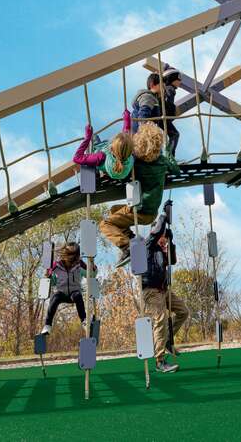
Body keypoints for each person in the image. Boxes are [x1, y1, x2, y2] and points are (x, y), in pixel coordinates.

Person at [99, 122, 180, 267]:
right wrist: (168, 153)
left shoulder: (136, 165)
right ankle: (132, 239)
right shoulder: (162, 161)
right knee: (114, 211)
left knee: (106, 224)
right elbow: (176, 170)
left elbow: (120, 173)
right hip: (151, 212)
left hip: (140, 210)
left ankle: (127, 247)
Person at [141, 206, 189, 373]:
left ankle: (168, 341)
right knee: (160, 319)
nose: (163, 240)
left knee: (183, 311)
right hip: (151, 291)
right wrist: (164, 215)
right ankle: (159, 361)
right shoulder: (148, 245)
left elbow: (173, 261)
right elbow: (155, 234)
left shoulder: (163, 250)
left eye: (165, 238)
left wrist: (171, 243)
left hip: (164, 290)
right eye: (162, 237)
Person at [73, 109, 133, 180]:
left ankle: (98, 172)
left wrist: (87, 138)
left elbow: (76, 158)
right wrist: (127, 120)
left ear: (111, 148)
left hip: (105, 163)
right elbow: (125, 141)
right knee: (122, 143)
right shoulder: (128, 156)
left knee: (94, 137)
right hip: (122, 174)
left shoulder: (101, 157)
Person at [41, 243, 86, 335]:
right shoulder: (56, 265)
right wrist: (47, 276)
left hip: (74, 293)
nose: (71, 261)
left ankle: (84, 321)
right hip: (62, 293)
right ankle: (47, 325)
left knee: (78, 295)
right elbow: (50, 280)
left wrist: (93, 266)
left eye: (74, 258)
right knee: (55, 297)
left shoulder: (80, 264)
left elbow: (92, 274)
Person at [162, 68, 182, 156]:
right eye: (178, 78)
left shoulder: (165, 88)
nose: (180, 81)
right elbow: (168, 102)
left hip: (162, 116)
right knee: (174, 134)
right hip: (163, 117)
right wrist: (171, 111)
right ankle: (170, 156)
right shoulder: (170, 89)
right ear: (172, 78)